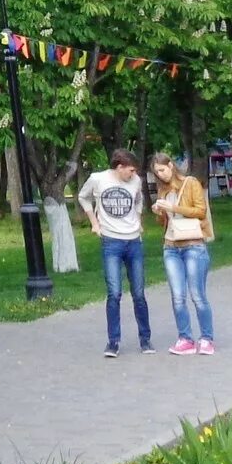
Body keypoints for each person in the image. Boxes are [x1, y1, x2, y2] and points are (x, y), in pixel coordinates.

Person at [77, 147, 153, 357]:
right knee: (114, 293)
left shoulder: (135, 181)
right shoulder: (97, 179)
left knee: (138, 292)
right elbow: (83, 197)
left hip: (133, 242)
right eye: (130, 170)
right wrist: (94, 222)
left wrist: (139, 221)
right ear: (119, 167)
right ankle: (113, 342)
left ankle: (145, 339)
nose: (133, 174)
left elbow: (138, 200)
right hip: (111, 241)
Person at [150, 151, 216, 356]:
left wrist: (174, 206)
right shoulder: (162, 191)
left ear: (170, 165)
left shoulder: (191, 183)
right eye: (156, 173)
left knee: (197, 295)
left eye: (162, 170)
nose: (160, 175)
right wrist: (160, 212)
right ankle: (185, 338)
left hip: (193, 245)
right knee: (178, 296)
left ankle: (206, 339)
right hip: (171, 247)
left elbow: (200, 211)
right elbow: (165, 223)